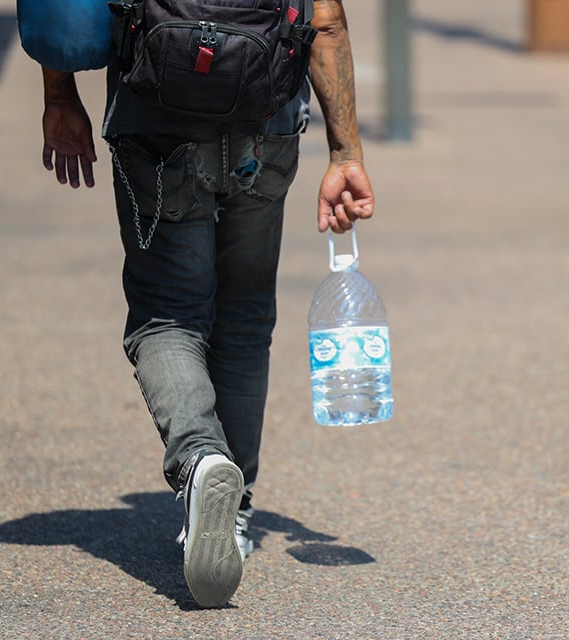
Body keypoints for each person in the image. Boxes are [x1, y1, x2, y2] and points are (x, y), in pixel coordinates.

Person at [37, 0, 375, 608]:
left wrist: (60, 96)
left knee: (167, 317)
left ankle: (199, 460)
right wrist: (345, 153)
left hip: (156, 119)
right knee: (245, 320)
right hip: (265, 121)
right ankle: (235, 512)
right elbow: (325, 17)